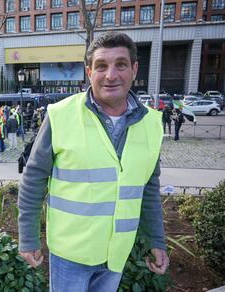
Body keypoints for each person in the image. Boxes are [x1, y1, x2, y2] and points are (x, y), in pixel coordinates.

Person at [18, 31, 168, 292]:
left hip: (116, 253)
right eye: (101, 66)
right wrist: (28, 238)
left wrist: (155, 239)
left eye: (120, 64)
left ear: (134, 69)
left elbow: (149, 190)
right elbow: (33, 179)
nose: (110, 75)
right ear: (89, 72)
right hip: (70, 255)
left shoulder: (152, 125)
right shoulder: (61, 115)